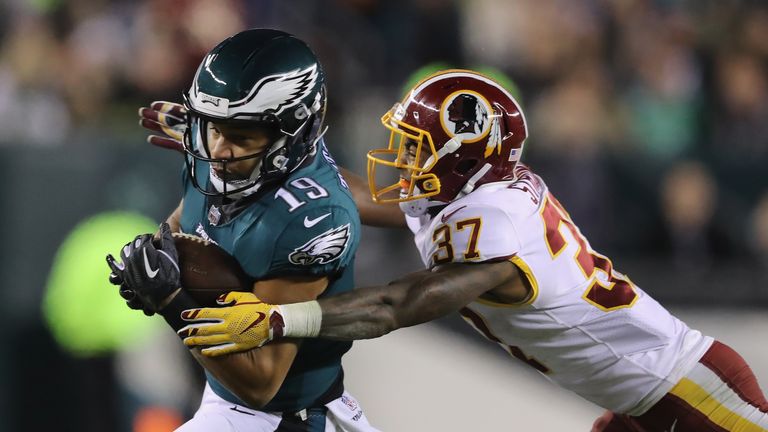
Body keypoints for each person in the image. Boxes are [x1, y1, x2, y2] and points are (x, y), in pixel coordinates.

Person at [178, 69, 768, 432]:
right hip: (641, 400)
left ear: (465, 153)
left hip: (687, 391)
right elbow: (350, 194)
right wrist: (241, 142)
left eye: (415, 147)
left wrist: (282, 319)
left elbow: (398, 304)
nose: (403, 161)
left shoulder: (491, 217)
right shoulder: (467, 190)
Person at [106, 29, 378, 431]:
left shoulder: (312, 218)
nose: (217, 151)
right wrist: (155, 257)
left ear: (291, 134)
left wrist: (171, 300)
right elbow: (184, 227)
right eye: (214, 128)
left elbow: (261, 381)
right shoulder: (215, 153)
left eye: (240, 136)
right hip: (223, 395)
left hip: (284, 417)